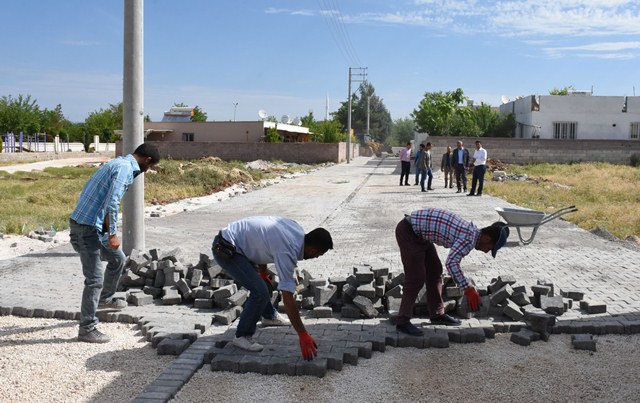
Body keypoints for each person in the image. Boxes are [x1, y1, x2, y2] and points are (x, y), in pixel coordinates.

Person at [70, 143, 160, 343]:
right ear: (147, 160)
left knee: (117, 259)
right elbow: (112, 202)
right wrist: (112, 234)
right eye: (150, 167)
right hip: (86, 229)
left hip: (92, 225)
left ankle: (104, 300)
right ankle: (87, 329)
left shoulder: (120, 163)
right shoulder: (125, 169)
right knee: (94, 280)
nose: (148, 170)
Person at [211, 216, 333, 360]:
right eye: (319, 254)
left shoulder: (297, 231)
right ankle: (242, 336)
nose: (317, 257)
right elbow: (287, 296)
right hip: (226, 249)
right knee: (260, 292)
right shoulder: (288, 250)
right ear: (313, 249)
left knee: (264, 284)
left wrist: (263, 273)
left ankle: (269, 316)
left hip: (239, 245)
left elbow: (264, 244)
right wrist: (302, 334)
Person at [394, 208, 509, 336]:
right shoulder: (469, 239)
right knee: (416, 278)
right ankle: (402, 322)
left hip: (421, 234)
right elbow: (451, 263)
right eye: (490, 248)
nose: (487, 251)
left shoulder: (472, 232)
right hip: (409, 232)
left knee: (435, 271)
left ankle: (437, 314)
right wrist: (468, 289)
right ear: (487, 238)